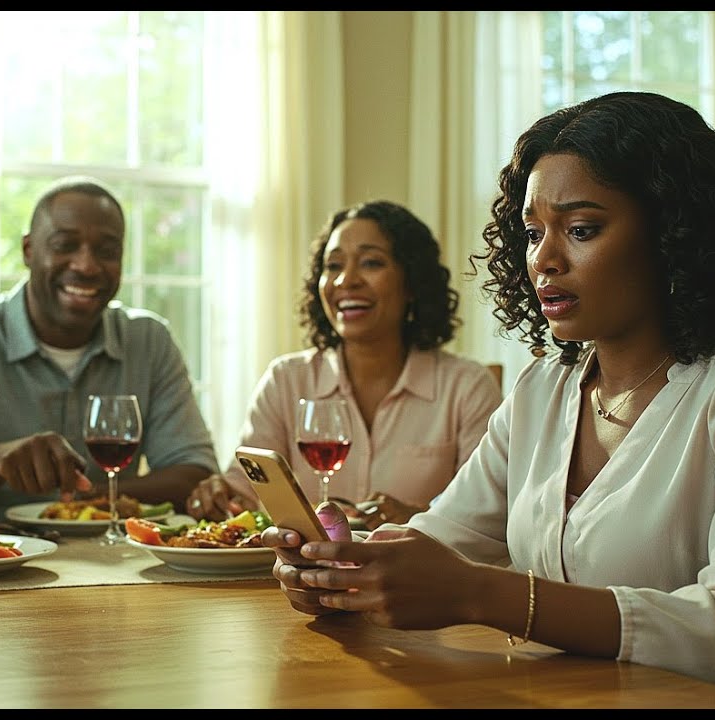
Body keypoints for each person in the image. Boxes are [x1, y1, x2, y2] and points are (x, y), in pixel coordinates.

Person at [262, 92, 715, 708]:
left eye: (581, 229)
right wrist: (347, 573)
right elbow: (443, 538)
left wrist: (480, 595)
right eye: (533, 232)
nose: (543, 259)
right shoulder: (546, 387)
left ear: (674, 234)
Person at [0, 176, 220, 526]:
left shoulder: (149, 341)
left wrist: (88, 503)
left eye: (107, 251)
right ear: (28, 250)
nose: (86, 265)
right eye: (64, 245)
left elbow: (195, 473)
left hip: (118, 564)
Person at [187, 200, 501, 528]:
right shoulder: (285, 380)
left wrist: (419, 517)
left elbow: (486, 514)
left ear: (412, 283)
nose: (345, 281)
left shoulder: (467, 386)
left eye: (371, 262)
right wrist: (220, 493)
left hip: (416, 576)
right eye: (334, 266)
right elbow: (247, 492)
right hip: (300, 573)